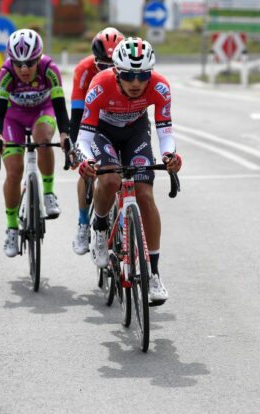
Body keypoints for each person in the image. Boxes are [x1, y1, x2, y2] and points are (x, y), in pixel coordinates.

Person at [76, 37, 182, 306]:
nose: (136, 83)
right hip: (101, 132)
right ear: (116, 72)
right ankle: (99, 227)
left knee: (145, 195)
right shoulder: (99, 85)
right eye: (129, 75)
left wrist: (170, 156)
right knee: (110, 177)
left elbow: (165, 132)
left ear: (151, 73)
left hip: (136, 131)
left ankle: (154, 274)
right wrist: (87, 161)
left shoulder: (159, 86)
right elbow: (84, 139)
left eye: (142, 75)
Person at [0, 29, 70, 257]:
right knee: (14, 172)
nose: (24, 69)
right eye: (18, 63)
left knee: (43, 139)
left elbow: (60, 105)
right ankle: (12, 227)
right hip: (13, 118)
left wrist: (64, 134)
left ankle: (48, 192)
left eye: (30, 62)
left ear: (38, 58)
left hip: (42, 112)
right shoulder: (5, 73)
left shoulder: (49, 69)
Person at [69, 27, 124, 256]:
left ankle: (122, 220)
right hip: (93, 122)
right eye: (103, 65)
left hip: (121, 119)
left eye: (114, 65)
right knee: (88, 171)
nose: (109, 71)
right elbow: (77, 113)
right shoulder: (84, 70)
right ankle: (83, 223)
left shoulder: (129, 70)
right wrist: (75, 149)